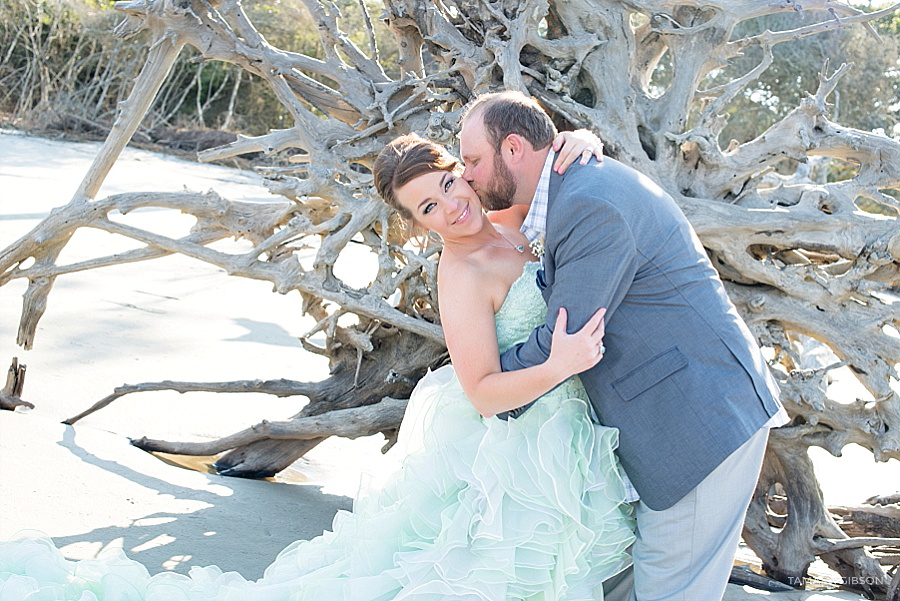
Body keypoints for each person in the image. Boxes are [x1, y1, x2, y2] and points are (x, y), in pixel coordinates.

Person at [0, 131, 636, 600]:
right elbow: (483, 393)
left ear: (465, 171)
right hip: (516, 445)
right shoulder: (462, 274)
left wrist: (579, 141)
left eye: (448, 183)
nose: (451, 206)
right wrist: (562, 364)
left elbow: (547, 170)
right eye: (428, 208)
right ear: (417, 227)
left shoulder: (510, 220)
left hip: (569, 428)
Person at [456, 90, 789, 601]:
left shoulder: (589, 201)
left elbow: (565, 340)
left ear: (515, 148)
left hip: (695, 422)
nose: (469, 175)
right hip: (674, 415)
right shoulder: (573, 186)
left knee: (670, 590)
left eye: (474, 159)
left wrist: (484, 388)